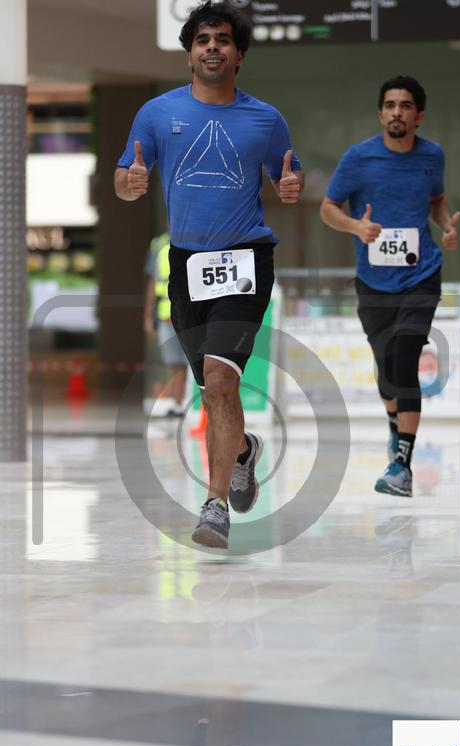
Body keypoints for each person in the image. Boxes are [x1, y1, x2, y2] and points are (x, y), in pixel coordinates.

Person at [115, 1, 303, 546]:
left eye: (222, 39)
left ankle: (214, 505)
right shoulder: (156, 114)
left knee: (221, 381)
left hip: (245, 260)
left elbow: (288, 177)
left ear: (238, 55)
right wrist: (129, 184)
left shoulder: (265, 119)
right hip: (187, 266)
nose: (212, 47)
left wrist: (291, 187)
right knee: (211, 388)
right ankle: (243, 451)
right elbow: (124, 179)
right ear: (190, 54)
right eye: (203, 40)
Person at [320, 75, 459, 497]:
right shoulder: (358, 158)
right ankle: (395, 427)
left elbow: (435, 200)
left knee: (405, 357)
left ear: (419, 116)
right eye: (390, 105)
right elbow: (328, 207)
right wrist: (355, 227)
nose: (397, 112)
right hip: (374, 281)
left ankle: (402, 465)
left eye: (405, 105)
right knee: (387, 369)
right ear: (381, 113)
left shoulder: (432, 155)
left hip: (421, 274)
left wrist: (446, 226)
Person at [143, 233, 188, 418]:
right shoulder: (159, 243)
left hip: (189, 313)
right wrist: (148, 314)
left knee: (191, 362)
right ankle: (177, 405)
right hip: (166, 314)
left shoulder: (194, 236)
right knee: (175, 363)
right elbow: (153, 281)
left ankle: (184, 404)